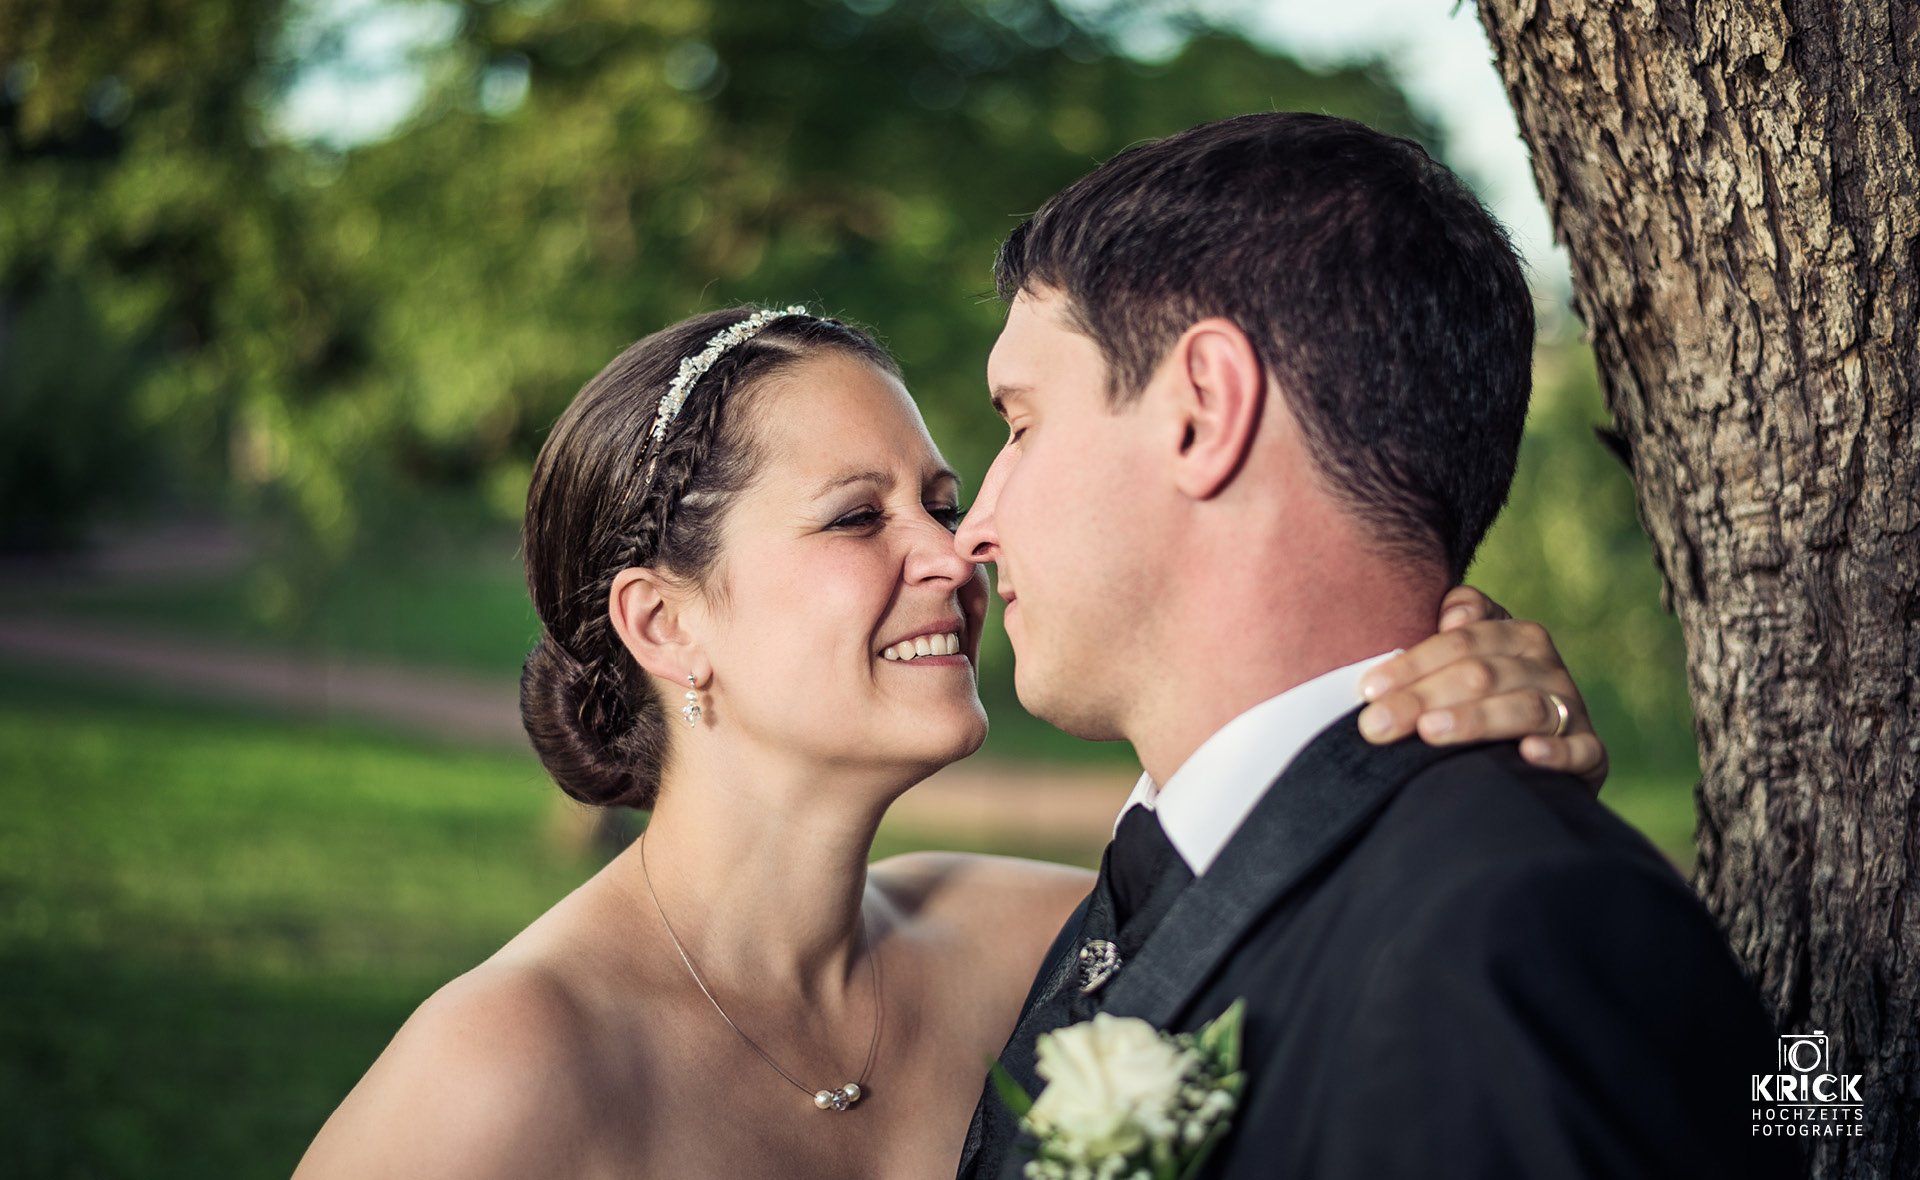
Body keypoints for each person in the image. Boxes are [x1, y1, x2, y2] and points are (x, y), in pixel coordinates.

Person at [293, 300, 1609, 1177]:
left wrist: (1475, 741)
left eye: (941, 496)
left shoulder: (1035, 952)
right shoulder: (506, 1063)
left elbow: (1384, 961)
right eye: (857, 518)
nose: (960, 549)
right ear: (667, 623)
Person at [952, 113, 1792, 1179]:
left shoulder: (1517, 930)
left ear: (1203, 410)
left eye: (1019, 425)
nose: (977, 525)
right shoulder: (1143, 895)